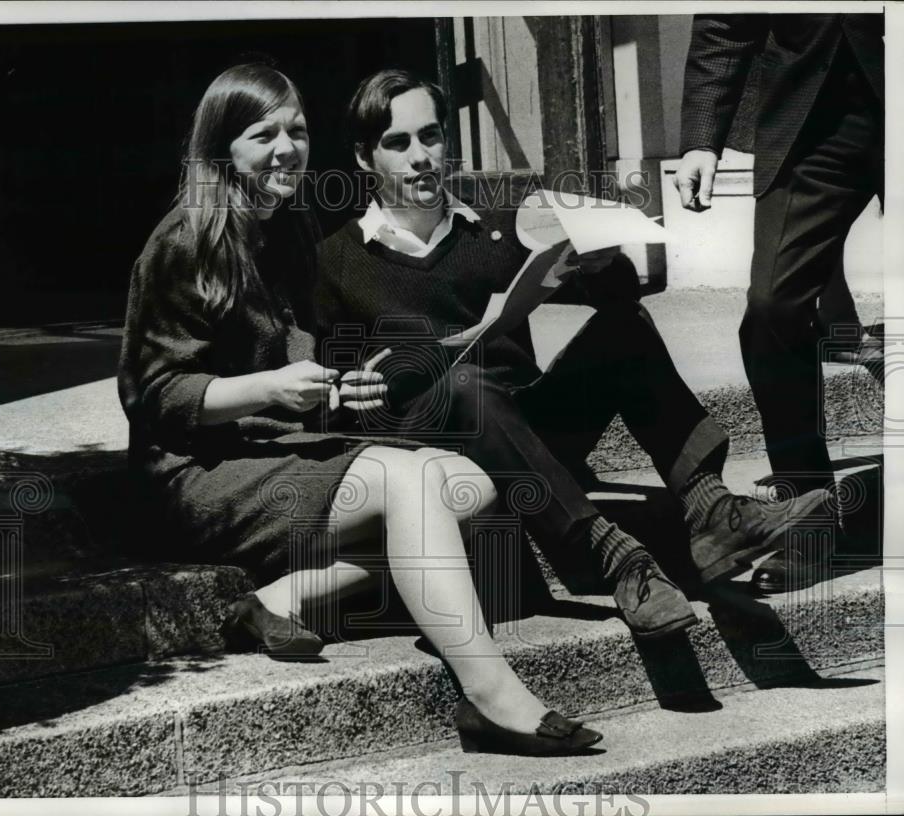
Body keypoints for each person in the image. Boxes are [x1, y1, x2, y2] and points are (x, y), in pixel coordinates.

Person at [118, 62, 602, 756]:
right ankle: (489, 690)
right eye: (263, 135)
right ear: (222, 150)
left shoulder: (287, 230)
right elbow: (154, 398)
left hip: (273, 451)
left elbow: (298, 367)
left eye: (297, 131)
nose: (286, 148)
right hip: (196, 475)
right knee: (409, 480)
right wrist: (273, 389)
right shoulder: (183, 242)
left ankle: (288, 597)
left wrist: (340, 389)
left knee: (469, 483)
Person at [314, 69, 833, 637]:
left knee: (625, 329)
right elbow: (328, 401)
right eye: (398, 143)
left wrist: (600, 260)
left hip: (532, 430)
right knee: (466, 387)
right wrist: (350, 393)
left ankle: (710, 508)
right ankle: (613, 558)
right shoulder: (336, 262)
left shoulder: (497, 228)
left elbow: (617, 301)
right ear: (366, 158)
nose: (421, 157)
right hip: (445, 459)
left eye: (431, 136)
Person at [674, 13, 883, 591]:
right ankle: (810, 519)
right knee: (772, 309)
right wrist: (700, 139)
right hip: (815, 124)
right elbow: (724, 23)